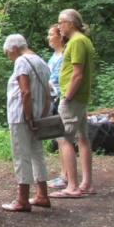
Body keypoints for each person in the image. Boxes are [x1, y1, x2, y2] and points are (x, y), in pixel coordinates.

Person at [0, 34, 51, 212]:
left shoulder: (21, 61)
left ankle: (22, 200)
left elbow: (25, 92)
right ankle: (42, 194)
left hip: (21, 116)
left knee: (21, 155)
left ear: (14, 48)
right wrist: (41, 116)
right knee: (37, 154)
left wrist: (28, 117)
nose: (9, 56)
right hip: (37, 116)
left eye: (8, 52)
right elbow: (48, 94)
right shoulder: (42, 62)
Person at [51, 9, 96, 199]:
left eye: (61, 22)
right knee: (82, 138)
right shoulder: (83, 40)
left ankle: (73, 186)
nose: (59, 26)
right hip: (80, 97)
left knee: (64, 138)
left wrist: (67, 96)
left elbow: (77, 73)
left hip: (73, 98)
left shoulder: (77, 42)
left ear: (71, 23)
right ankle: (87, 183)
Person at [46, 24, 70, 190]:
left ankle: (66, 176)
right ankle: (63, 173)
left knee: (63, 138)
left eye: (51, 34)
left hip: (60, 98)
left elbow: (56, 80)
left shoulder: (64, 57)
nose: (48, 37)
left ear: (60, 37)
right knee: (59, 139)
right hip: (53, 99)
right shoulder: (53, 56)